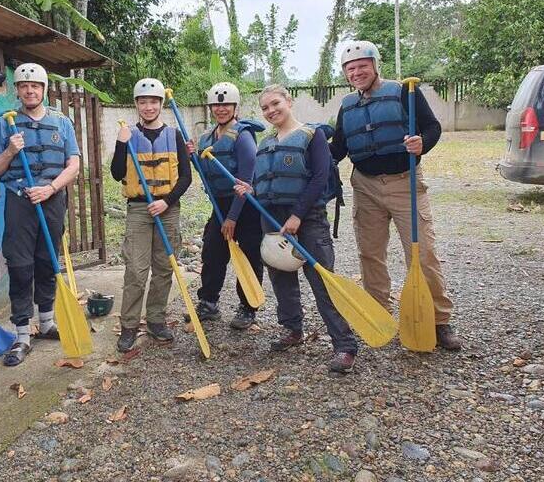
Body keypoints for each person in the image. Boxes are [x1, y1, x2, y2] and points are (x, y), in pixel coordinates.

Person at [330, 40, 461, 351]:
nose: (356, 72)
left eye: (362, 65)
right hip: (365, 185)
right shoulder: (347, 105)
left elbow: (432, 127)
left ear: (375, 65)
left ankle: (440, 320)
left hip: (405, 183)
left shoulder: (405, 91)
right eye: (350, 68)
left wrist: (421, 143)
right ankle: (379, 312)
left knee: (423, 253)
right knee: (370, 255)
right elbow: (337, 149)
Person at [235, 84, 358, 373]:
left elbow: (318, 178)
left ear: (289, 101)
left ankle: (344, 345)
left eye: (275, 103)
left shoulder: (312, 135)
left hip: (307, 217)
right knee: (281, 277)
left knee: (322, 281)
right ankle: (292, 329)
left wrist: (298, 216)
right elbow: (264, 183)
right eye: (265, 108)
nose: (270, 111)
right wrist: (250, 190)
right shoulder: (265, 143)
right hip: (272, 219)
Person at [0, 63, 81, 366]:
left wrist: (50, 189)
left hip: (51, 199)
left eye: (35, 86)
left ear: (44, 89)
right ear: (18, 90)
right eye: (24, 86)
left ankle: (48, 322)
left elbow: (74, 165)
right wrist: (10, 152)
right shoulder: (5, 124)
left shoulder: (62, 122)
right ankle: (23, 334)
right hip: (20, 201)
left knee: (47, 261)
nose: (30, 90)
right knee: (21, 265)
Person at [110, 78, 191, 352]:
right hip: (138, 209)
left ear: (161, 104)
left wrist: (167, 202)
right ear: (136, 104)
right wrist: (122, 145)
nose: (148, 107)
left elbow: (186, 178)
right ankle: (129, 326)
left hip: (167, 209)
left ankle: (156, 320)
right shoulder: (127, 134)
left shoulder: (175, 135)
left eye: (153, 101)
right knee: (135, 269)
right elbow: (117, 173)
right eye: (143, 102)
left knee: (164, 267)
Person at [185, 82, 265, 330]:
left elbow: (246, 178)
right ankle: (208, 303)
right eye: (216, 105)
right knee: (212, 252)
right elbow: (205, 172)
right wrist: (191, 156)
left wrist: (232, 218)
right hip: (219, 204)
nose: (221, 109)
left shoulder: (243, 136)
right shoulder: (208, 137)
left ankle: (248, 307)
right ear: (211, 107)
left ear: (235, 107)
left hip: (245, 204)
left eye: (226, 104)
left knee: (250, 255)